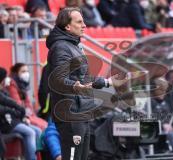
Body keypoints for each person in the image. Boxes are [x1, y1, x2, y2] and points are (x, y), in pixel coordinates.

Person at [46, 7, 120, 160]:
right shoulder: (61, 47)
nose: (84, 25)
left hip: (82, 112)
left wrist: (107, 82)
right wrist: (74, 86)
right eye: (79, 22)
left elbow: (82, 79)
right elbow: (58, 79)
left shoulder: (74, 46)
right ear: (67, 26)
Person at [0, 67, 37, 160]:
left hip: (12, 121)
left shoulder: (3, 90)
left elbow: (7, 100)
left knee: (37, 130)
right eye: (23, 71)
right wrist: (13, 110)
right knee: (30, 132)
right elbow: (4, 108)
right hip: (6, 124)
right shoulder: (10, 85)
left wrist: (18, 107)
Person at [6, 63, 47, 132]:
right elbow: (17, 104)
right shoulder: (11, 85)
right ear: (16, 73)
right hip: (18, 117)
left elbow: (28, 104)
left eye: (27, 71)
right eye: (23, 71)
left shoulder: (22, 85)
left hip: (26, 114)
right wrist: (28, 115)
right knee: (40, 128)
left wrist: (32, 115)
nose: (26, 74)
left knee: (46, 125)